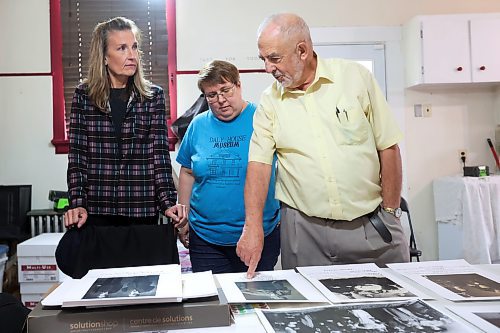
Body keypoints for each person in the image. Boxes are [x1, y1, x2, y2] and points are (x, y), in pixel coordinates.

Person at [236, 13, 410, 278]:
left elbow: (388, 147)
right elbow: (259, 166)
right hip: (305, 235)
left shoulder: (355, 78)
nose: (267, 68)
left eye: (274, 58)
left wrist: (390, 211)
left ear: (302, 50)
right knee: (313, 316)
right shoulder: (270, 101)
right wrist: (253, 226)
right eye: (264, 59)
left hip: (371, 226)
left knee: (392, 309)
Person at [61, 17, 186, 278]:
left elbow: (159, 157)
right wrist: (78, 203)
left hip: (141, 211)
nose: (132, 55)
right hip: (97, 212)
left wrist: (167, 202)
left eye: (135, 47)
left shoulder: (152, 96)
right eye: (121, 48)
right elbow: (78, 158)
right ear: (104, 56)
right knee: (101, 292)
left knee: (142, 290)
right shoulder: (84, 97)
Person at [176, 60, 280, 274]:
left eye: (226, 90)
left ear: (239, 85)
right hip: (206, 239)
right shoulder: (198, 125)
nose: (220, 100)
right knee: (213, 304)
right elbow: (187, 171)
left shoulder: (263, 119)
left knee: (255, 301)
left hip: (260, 233)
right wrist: (184, 217)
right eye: (211, 95)